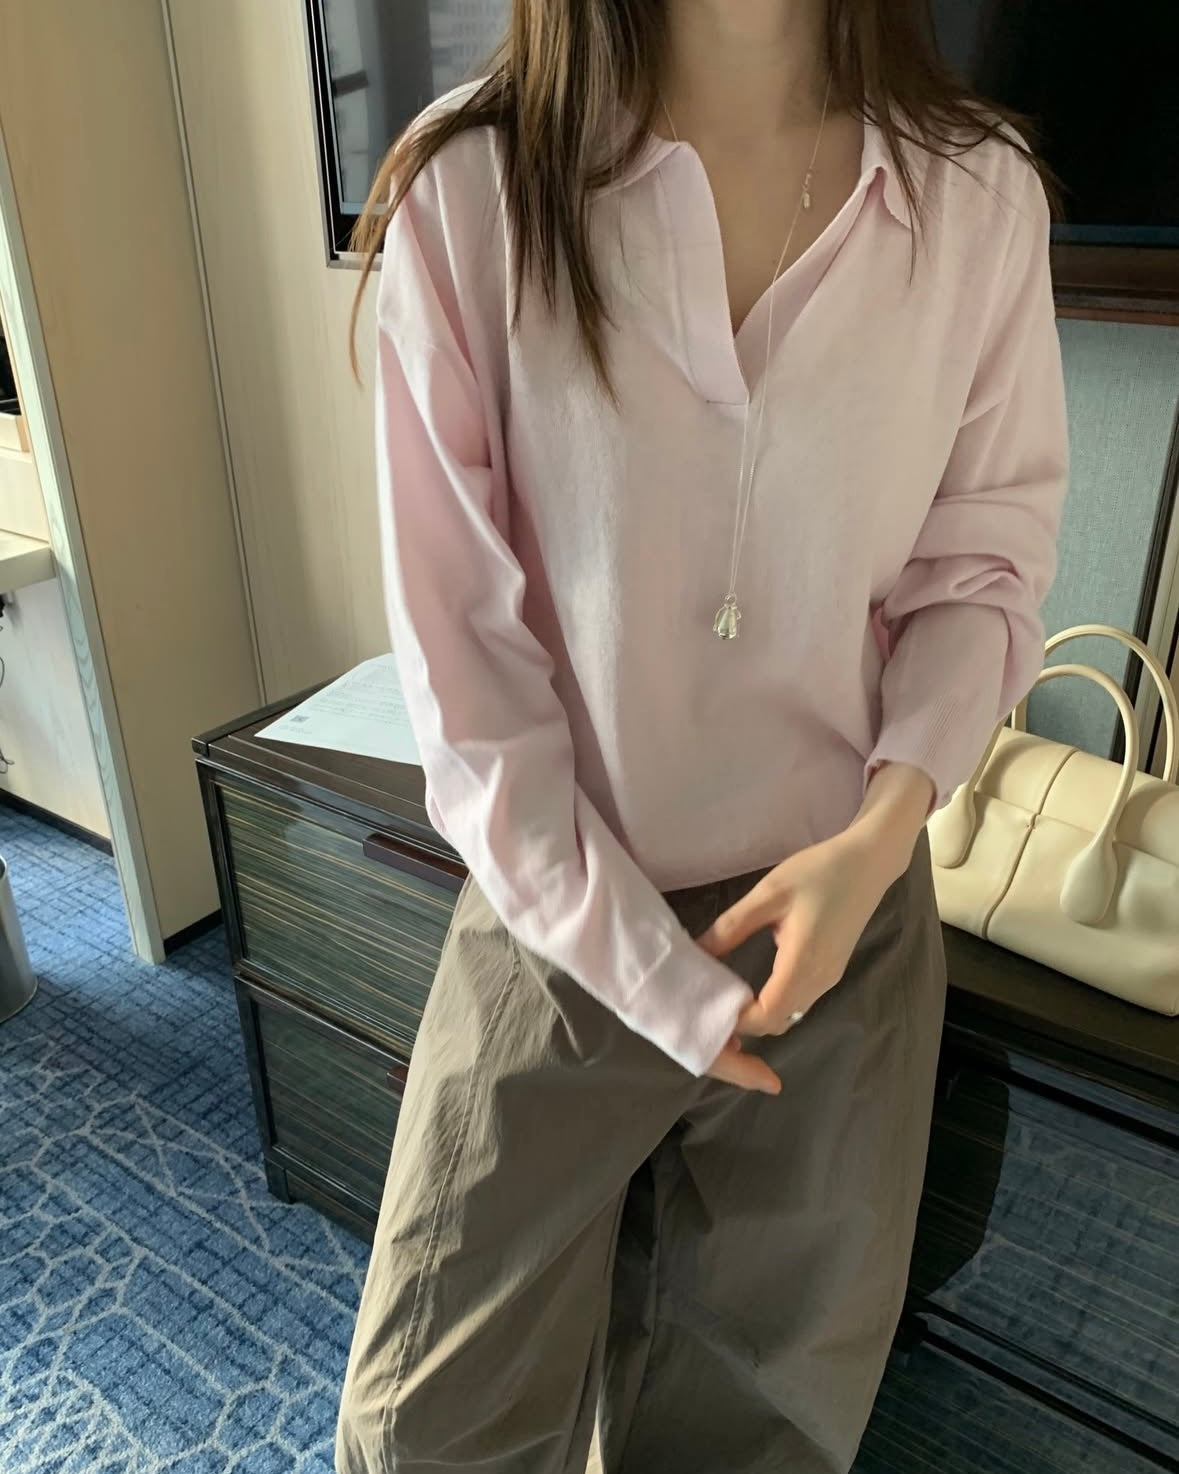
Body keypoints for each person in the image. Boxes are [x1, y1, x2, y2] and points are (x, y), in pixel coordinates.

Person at [335, 1, 1068, 1470]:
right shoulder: (472, 191)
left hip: (838, 937)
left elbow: (979, 576)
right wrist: (643, 970)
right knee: (430, 1430)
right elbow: (465, 665)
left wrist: (877, 840)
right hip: (559, 919)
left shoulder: (980, 199)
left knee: (757, 1437)